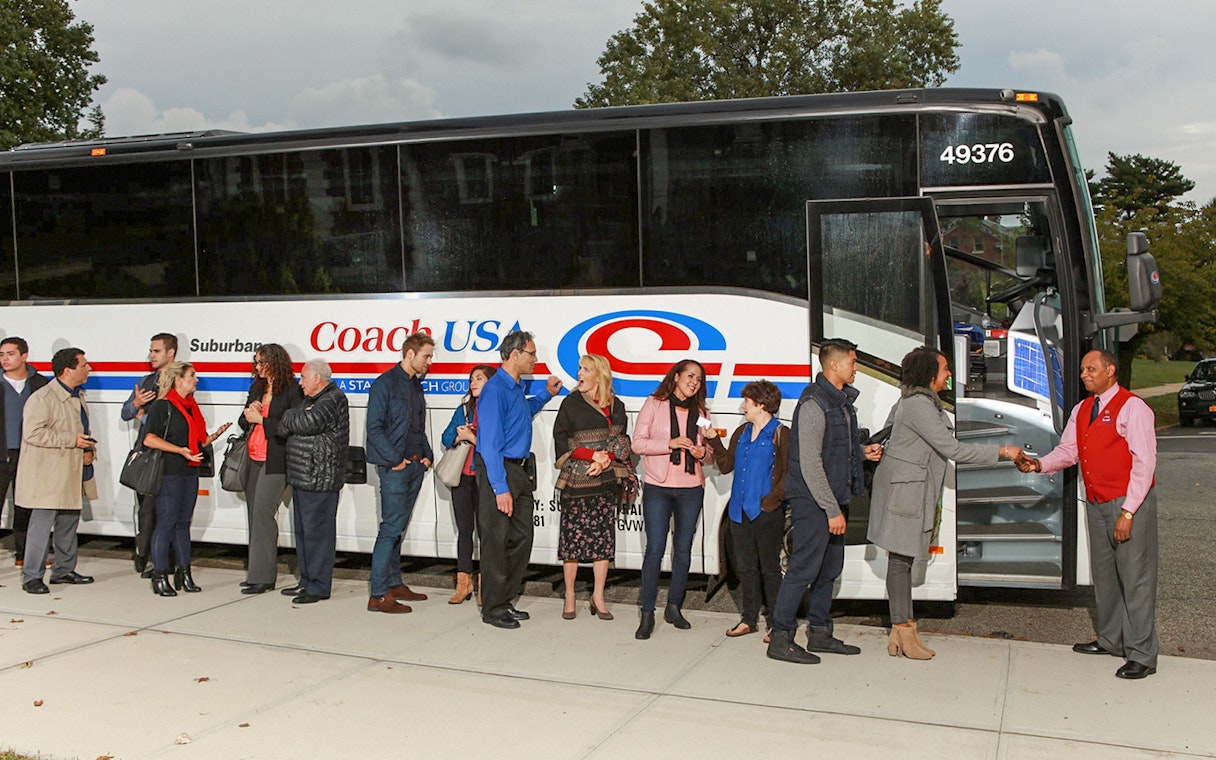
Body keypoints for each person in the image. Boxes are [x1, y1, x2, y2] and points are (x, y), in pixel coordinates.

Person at [868, 347, 1023, 659]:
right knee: (901, 560)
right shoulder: (919, 405)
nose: (949, 374)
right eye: (944, 369)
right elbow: (953, 449)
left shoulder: (913, 401)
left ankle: (902, 633)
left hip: (906, 486)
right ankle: (903, 629)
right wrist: (1002, 452)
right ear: (929, 374)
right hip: (905, 489)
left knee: (903, 560)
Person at [1017, 349, 1159, 680]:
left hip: (1127, 502)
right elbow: (1069, 451)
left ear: (1111, 370)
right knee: (1105, 575)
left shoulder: (1132, 408)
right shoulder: (1083, 410)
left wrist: (1129, 511)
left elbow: (1144, 463)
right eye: (1082, 370)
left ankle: (1142, 654)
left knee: (1136, 578)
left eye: (1091, 369)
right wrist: (1038, 464)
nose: (1084, 374)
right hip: (1096, 502)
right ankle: (1112, 640)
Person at [767, 339, 882, 664]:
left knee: (830, 568)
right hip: (813, 503)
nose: (857, 367)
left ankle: (819, 633)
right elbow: (811, 464)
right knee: (802, 569)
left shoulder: (840, 403)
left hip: (833, 498)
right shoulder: (814, 404)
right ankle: (780, 638)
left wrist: (861, 453)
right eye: (853, 362)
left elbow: (834, 451)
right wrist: (831, 510)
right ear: (833, 365)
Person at [476, 330, 562, 629]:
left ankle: (505, 600)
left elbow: (523, 412)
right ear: (515, 355)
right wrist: (500, 487)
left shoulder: (513, 387)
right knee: (497, 542)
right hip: (499, 470)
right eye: (532, 354)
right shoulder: (495, 390)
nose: (535, 359)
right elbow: (488, 444)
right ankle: (493, 608)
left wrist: (545, 395)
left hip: (519, 471)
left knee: (522, 537)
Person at [631, 359, 715, 640]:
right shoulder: (654, 403)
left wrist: (704, 454)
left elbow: (710, 451)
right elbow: (637, 443)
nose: (695, 382)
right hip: (659, 485)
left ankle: (674, 606)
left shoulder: (702, 412)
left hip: (692, 487)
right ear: (676, 376)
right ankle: (646, 612)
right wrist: (670, 443)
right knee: (654, 548)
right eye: (690, 376)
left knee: (683, 549)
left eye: (699, 379)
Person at [704, 380, 788, 639]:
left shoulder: (781, 433)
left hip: (765, 512)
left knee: (770, 569)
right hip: (739, 512)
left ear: (761, 405)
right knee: (746, 568)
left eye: (747, 402)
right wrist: (714, 442)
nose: (743, 407)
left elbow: (790, 474)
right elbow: (727, 465)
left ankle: (776, 622)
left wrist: (771, 501)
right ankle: (749, 619)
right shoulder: (742, 432)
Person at [553, 354, 633, 621]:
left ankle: (598, 596)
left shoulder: (616, 405)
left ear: (599, 375)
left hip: (605, 481)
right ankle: (570, 595)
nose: (580, 374)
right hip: (577, 480)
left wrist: (606, 459)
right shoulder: (571, 403)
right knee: (572, 540)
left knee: (602, 540)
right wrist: (592, 456)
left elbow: (622, 440)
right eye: (579, 369)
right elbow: (562, 439)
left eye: (586, 369)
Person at [140, 363, 231, 596]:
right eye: (192, 376)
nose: (196, 380)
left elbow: (196, 443)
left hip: (190, 470)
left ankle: (184, 573)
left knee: (183, 523)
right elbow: (149, 439)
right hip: (169, 471)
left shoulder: (191, 407)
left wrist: (214, 436)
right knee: (166, 522)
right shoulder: (163, 406)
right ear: (177, 380)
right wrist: (179, 450)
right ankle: (160, 575)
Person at [17, 348, 98, 594]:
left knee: (68, 524)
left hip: (71, 473)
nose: (89, 368)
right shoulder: (43, 398)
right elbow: (32, 433)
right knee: (41, 527)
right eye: (84, 365)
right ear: (67, 370)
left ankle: (63, 571)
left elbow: (81, 431)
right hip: (48, 476)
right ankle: (32, 576)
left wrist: (88, 450)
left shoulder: (76, 396)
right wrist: (71, 440)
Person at [365, 332, 436, 613]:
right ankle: (378, 595)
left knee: (398, 530)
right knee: (390, 529)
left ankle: (394, 584)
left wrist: (427, 456)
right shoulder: (385, 384)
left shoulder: (416, 386)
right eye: (426, 356)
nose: (429, 362)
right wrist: (396, 460)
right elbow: (374, 429)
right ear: (410, 354)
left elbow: (417, 425)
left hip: (415, 466)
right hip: (395, 468)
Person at [277, 359, 349, 604]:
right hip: (303, 477)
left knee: (318, 535)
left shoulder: (333, 399)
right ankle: (306, 581)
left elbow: (309, 423)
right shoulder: (309, 401)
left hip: (320, 479)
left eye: (304, 377)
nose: (301, 382)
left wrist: (292, 416)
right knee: (304, 533)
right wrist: (294, 415)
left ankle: (318, 586)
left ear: (318, 378)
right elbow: (285, 426)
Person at [239, 343, 303, 594]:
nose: (257, 367)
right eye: (256, 363)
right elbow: (243, 421)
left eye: (261, 362)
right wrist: (249, 414)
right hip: (253, 457)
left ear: (275, 362)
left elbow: (292, 425)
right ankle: (256, 573)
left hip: (276, 460)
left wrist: (262, 420)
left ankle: (264, 577)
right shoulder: (256, 387)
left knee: (263, 513)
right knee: (254, 515)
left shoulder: (291, 390)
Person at [120, 332, 177, 576]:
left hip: (170, 455)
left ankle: (163, 560)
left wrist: (143, 416)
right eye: (151, 351)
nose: (151, 355)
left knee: (167, 510)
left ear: (170, 353)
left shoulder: (182, 379)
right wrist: (135, 405)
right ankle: (145, 554)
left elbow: (173, 420)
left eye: (156, 351)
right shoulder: (146, 381)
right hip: (147, 456)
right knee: (146, 510)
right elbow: (125, 412)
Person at [439, 364, 496, 605]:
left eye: (479, 379)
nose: (473, 383)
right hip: (462, 477)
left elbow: (496, 445)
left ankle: (486, 586)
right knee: (464, 531)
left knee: (487, 533)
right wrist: (457, 435)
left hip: (485, 478)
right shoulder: (463, 410)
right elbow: (445, 437)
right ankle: (464, 584)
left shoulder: (495, 409)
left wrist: (473, 437)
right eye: (472, 379)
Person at [0, 337, 50, 567]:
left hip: (30, 453)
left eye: (10, 354)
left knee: (26, 506)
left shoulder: (39, 383)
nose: (5, 359)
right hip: (2, 454)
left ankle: (25, 556)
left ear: (24, 356)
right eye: (2, 355)